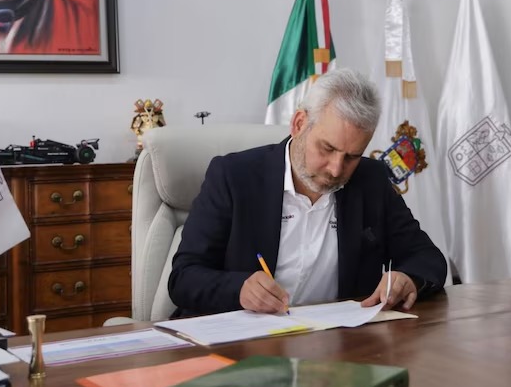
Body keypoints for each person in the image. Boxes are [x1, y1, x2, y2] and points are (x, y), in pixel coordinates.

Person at [168, 68, 447, 317]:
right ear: (299, 124)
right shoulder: (233, 176)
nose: (336, 169)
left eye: (352, 156)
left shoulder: (371, 180)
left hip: (338, 343)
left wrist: (408, 279)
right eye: (327, 148)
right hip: (240, 342)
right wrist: (239, 289)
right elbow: (183, 277)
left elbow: (427, 258)